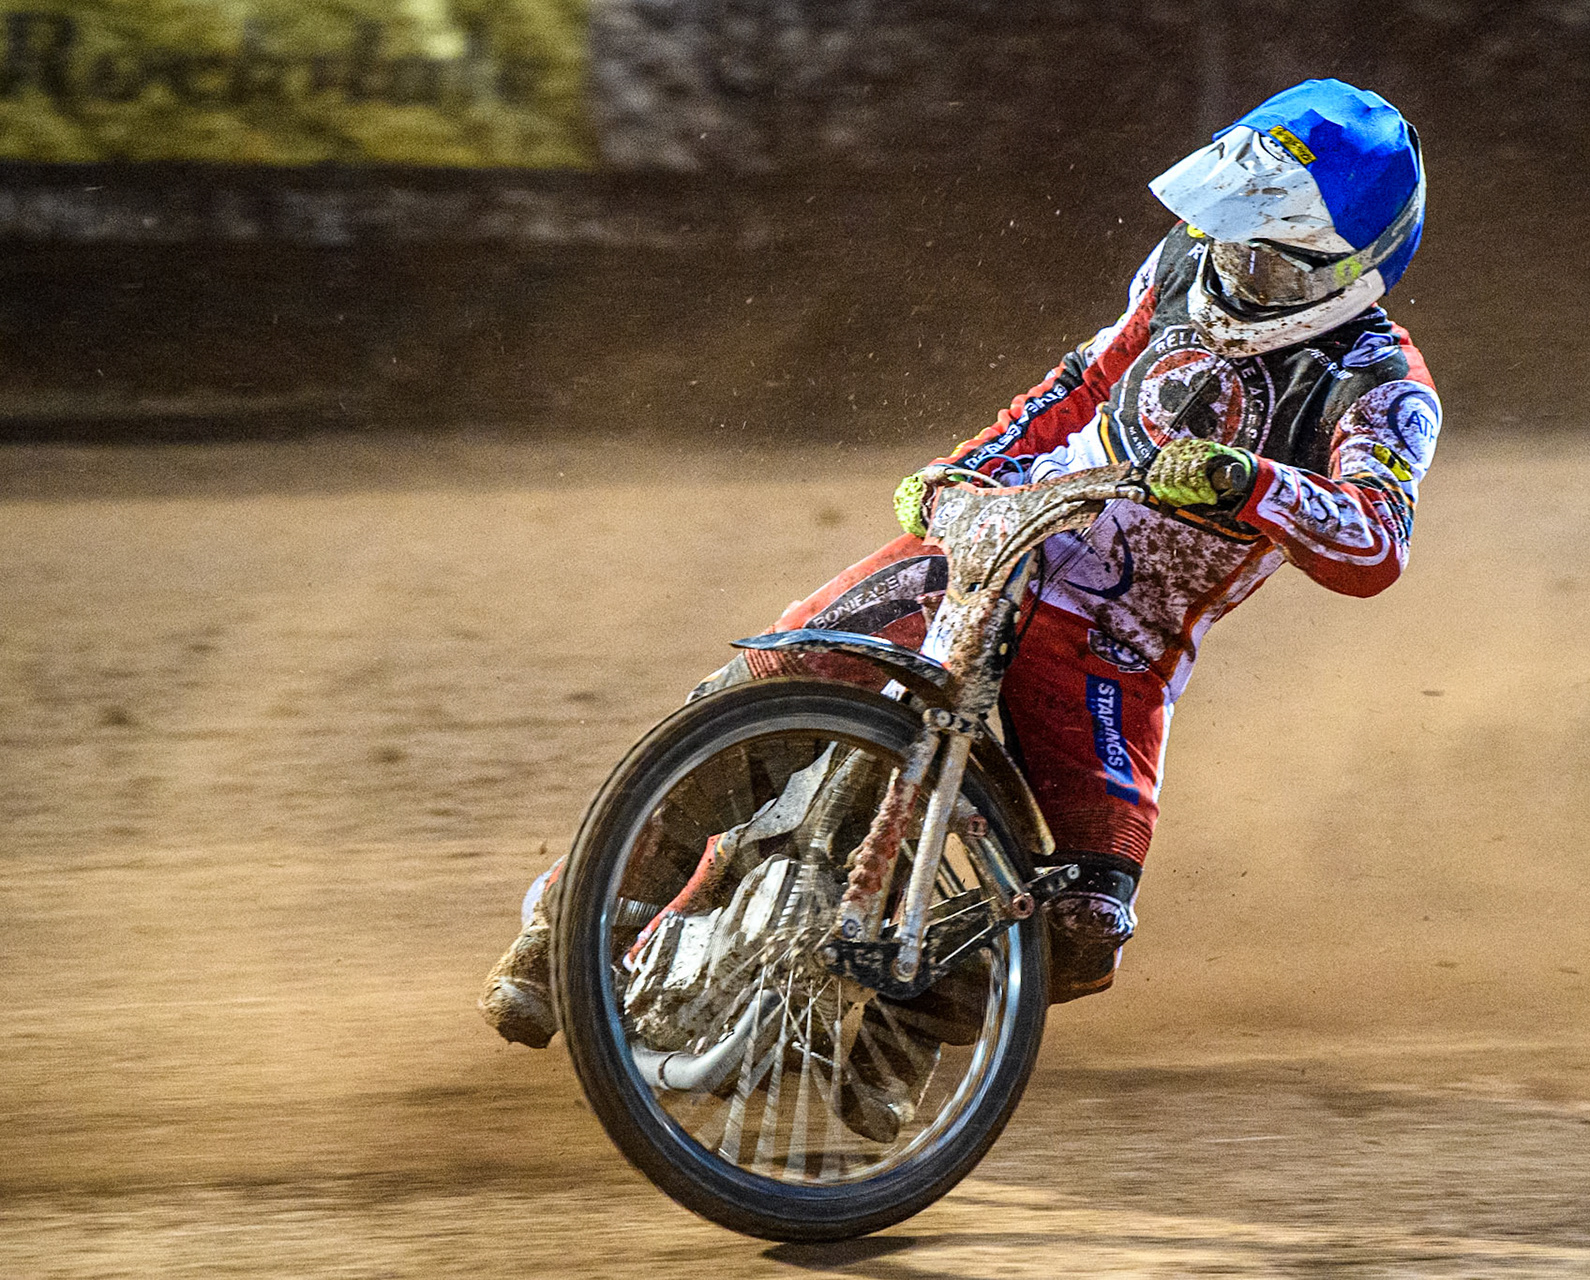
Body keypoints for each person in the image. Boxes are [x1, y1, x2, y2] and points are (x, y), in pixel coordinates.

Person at [481, 79, 1439, 1077]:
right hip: (1005, 538)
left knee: (1084, 921)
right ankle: (568, 921)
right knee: (783, 679)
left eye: (1273, 258)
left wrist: (1254, 481)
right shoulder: (1184, 263)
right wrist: (966, 468)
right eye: (1233, 230)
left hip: (1120, 642)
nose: (1239, 265)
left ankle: (901, 1053)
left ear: (1357, 269)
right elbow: (1081, 384)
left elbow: (1379, 540)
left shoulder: (1381, 384)